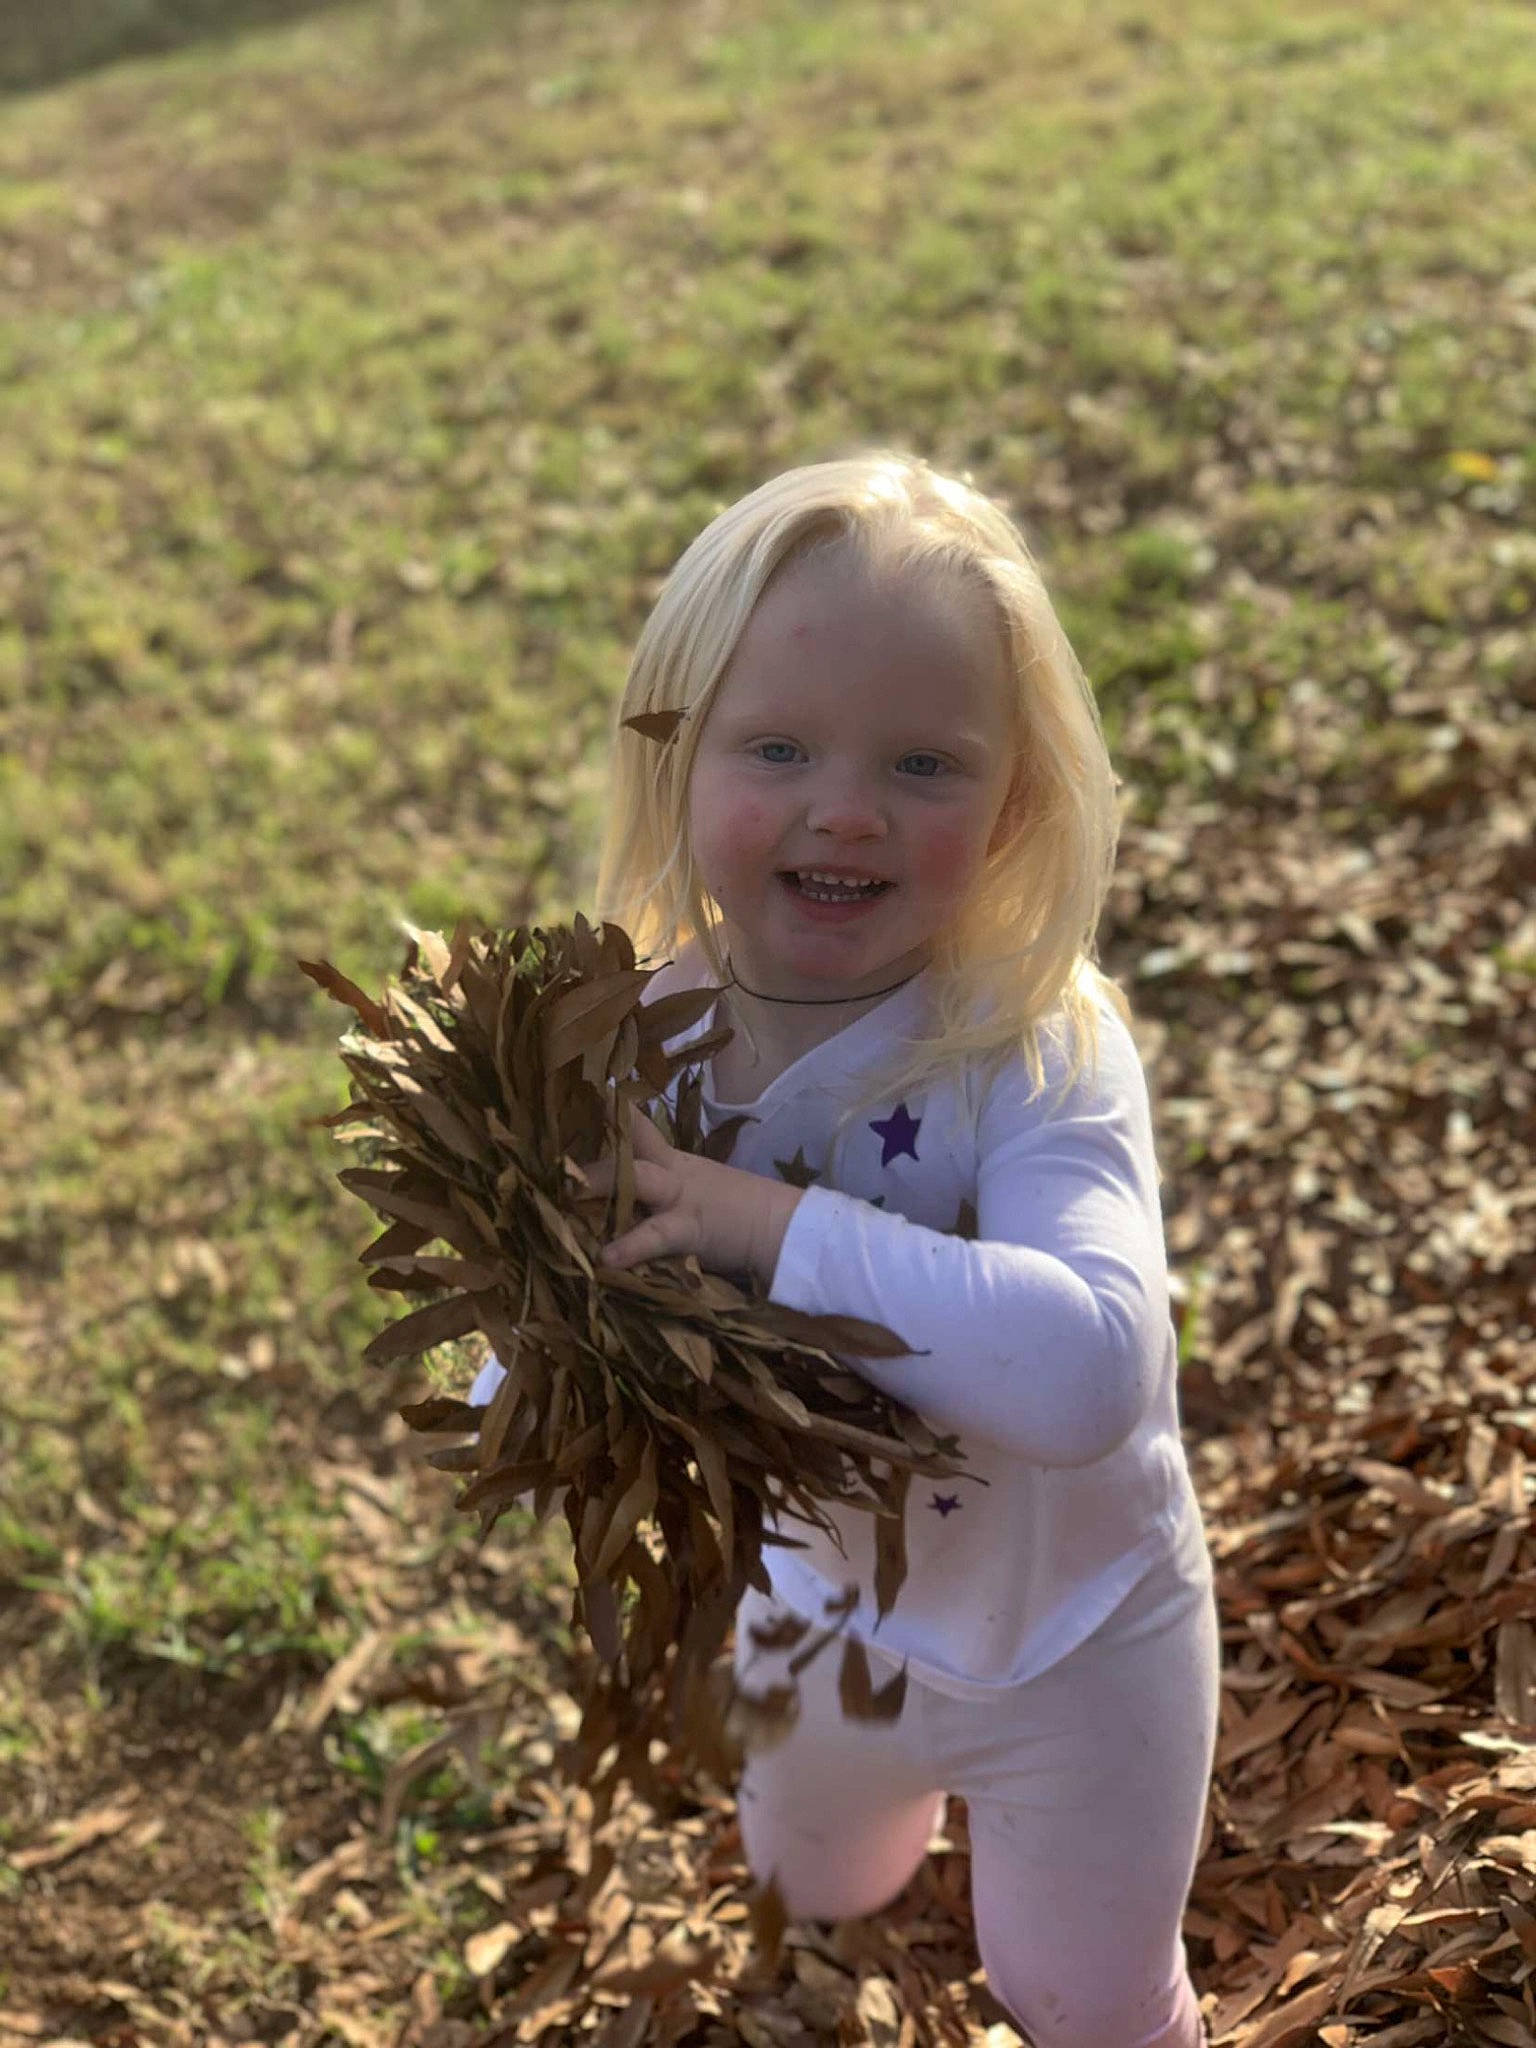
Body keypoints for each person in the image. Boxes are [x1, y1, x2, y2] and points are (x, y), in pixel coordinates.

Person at [468, 452, 1219, 2048]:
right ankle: (865, 1891)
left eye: (926, 765)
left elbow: (1092, 1369)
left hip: (1076, 1643)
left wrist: (775, 1226)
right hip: (819, 1621)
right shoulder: (637, 1038)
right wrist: (526, 1350)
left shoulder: (1036, 1051)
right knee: (814, 1883)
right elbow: (515, 1366)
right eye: (781, 747)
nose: (848, 809)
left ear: (1017, 795)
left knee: (1081, 2000)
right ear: (675, 761)